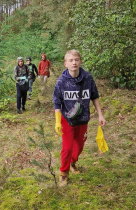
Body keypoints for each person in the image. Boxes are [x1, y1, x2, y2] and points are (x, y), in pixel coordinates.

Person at [53, 50, 106, 187]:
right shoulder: (61, 81)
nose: (74, 62)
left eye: (76, 59)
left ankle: (72, 162)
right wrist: (58, 121)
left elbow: (94, 96)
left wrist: (100, 114)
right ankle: (63, 174)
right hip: (67, 120)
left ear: (80, 61)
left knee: (79, 146)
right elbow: (57, 102)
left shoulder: (88, 78)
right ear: (66, 64)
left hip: (83, 119)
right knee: (67, 148)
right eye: (70, 60)